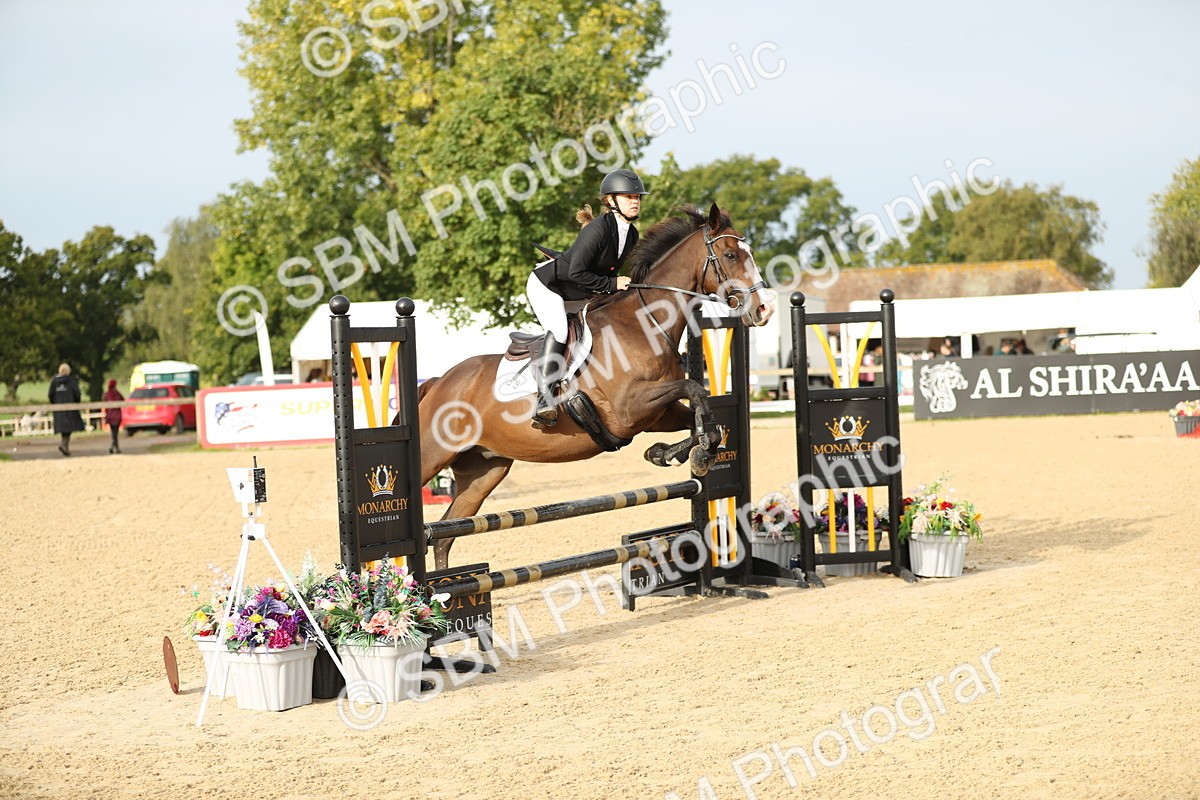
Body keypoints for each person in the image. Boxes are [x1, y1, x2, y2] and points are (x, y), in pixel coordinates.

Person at [525, 168, 648, 427]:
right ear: (611, 200)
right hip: (550, 286)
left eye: (637, 196)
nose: (635, 200)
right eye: (628, 196)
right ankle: (545, 400)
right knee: (560, 330)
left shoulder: (632, 234)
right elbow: (576, 272)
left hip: (581, 292)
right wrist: (613, 284)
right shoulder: (598, 229)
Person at [48, 362, 84, 456]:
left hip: (58, 409)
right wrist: (76, 402)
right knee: (68, 428)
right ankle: (64, 445)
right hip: (70, 408)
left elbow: (50, 394)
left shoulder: (54, 381)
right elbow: (77, 393)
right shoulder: (72, 381)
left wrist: (54, 403)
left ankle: (65, 446)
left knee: (64, 428)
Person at [102, 379, 124, 454]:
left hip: (110, 416)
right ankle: (115, 447)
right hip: (117, 416)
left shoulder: (107, 394)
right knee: (115, 433)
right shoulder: (117, 393)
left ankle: (113, 447)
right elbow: (122, 400)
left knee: (113, 433)